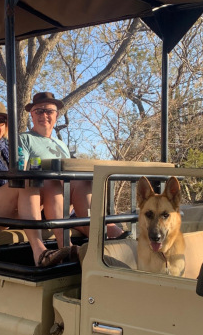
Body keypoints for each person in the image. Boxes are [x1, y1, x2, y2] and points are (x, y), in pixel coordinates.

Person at [0, 101, 70, 267]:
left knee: (49, 182)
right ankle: (39, 252)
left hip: (8, 209)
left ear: (5, 125)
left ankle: (66, 247)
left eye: (0, 121)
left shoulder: (11, 150)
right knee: (23, 182)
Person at [19, 91, 124, 244]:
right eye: (39, 111)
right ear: (32, 115)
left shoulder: (61, 145)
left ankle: (104, 239)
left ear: (56, 115)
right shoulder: (24, 139)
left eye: (49, 111)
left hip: (67, 203)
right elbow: (22, 173)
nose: (44, 115)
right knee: (53, 181)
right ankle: (75, 243)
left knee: (84, 182)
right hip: (39, 201)